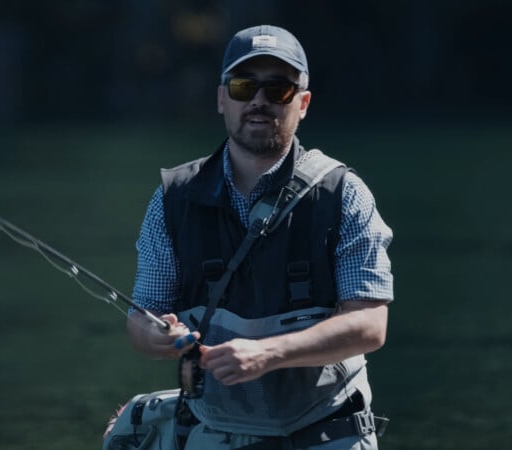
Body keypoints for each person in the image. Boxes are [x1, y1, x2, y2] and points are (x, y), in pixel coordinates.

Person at [126, 24, 394, 450]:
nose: (258, 101)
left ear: (302, 103)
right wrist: (157, 337)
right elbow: (142, 321)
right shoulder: (171, 200)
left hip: (325, 427)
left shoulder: (345, 195)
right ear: (221, 99)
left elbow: (370, 325)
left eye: (278, 89)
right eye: (243, 86)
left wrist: (269, 353)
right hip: (215, 427)